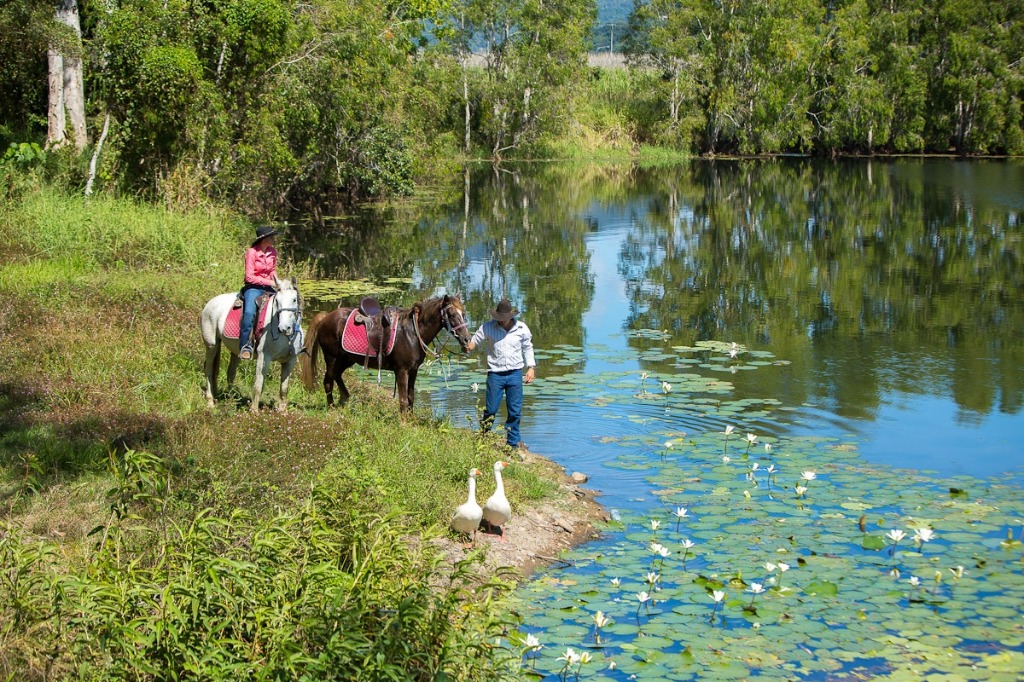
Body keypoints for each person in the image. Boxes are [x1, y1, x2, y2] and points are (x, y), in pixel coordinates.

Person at [465, 299, 536, 450]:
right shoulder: (488, 327)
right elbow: (475, 339)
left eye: (504, 319)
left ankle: (512, 444)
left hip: (515, 373)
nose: (501, 322)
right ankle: (484, 436)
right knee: (490, 410)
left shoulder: (522, 328)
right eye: (499, 319)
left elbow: (528, 348)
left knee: (514, 411)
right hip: (495, 374)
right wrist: (469, 346)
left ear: (511, 317)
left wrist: (531, 368)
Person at [239, 225, 278, 360]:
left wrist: (277, 281)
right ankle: (245, 345)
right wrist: (269, 283)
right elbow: (249, 276)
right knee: (249, 312)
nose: (273, 239)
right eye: (271, 237)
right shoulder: (252, 252)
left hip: (269, 287)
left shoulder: (272, 252)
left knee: (284, 305)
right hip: (253, 287)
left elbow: (272, 271)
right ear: (263, 239)